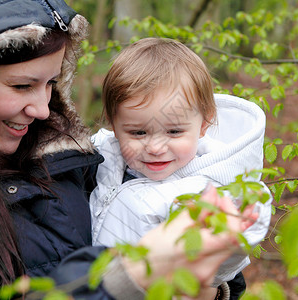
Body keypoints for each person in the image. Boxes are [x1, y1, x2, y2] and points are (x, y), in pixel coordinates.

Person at [0, 1, 259, 300]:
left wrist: (211, 291)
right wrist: (128, 278)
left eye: (51, 83)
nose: (43, 110)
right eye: (22, 85)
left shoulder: (68, 157)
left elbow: (217, 274)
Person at [90, 38, 272, 299]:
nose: (155, 147)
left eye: (174, 131)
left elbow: (226, 263)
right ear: (113, 125)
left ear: (205, 123)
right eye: (138, 132)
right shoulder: (99, 161)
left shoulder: (209, 191)